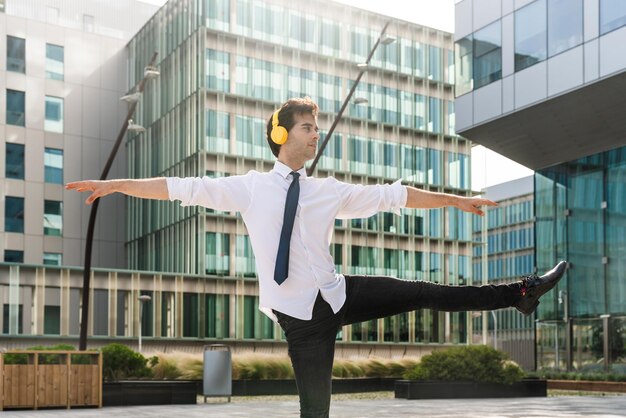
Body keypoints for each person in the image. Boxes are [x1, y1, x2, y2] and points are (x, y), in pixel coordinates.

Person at [67, 97, 567, 418]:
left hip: (339, 293)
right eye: (306, 126)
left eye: (316, 126)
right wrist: (115, 186)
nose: (314, 134)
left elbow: (394, 196)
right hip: (299, 318)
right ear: (282, 135)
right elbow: (178, 188)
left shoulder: (326, 191)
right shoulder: (249, 188)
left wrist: (457, 200)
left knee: (426, 292)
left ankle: (521, 294)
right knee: (315, 412)